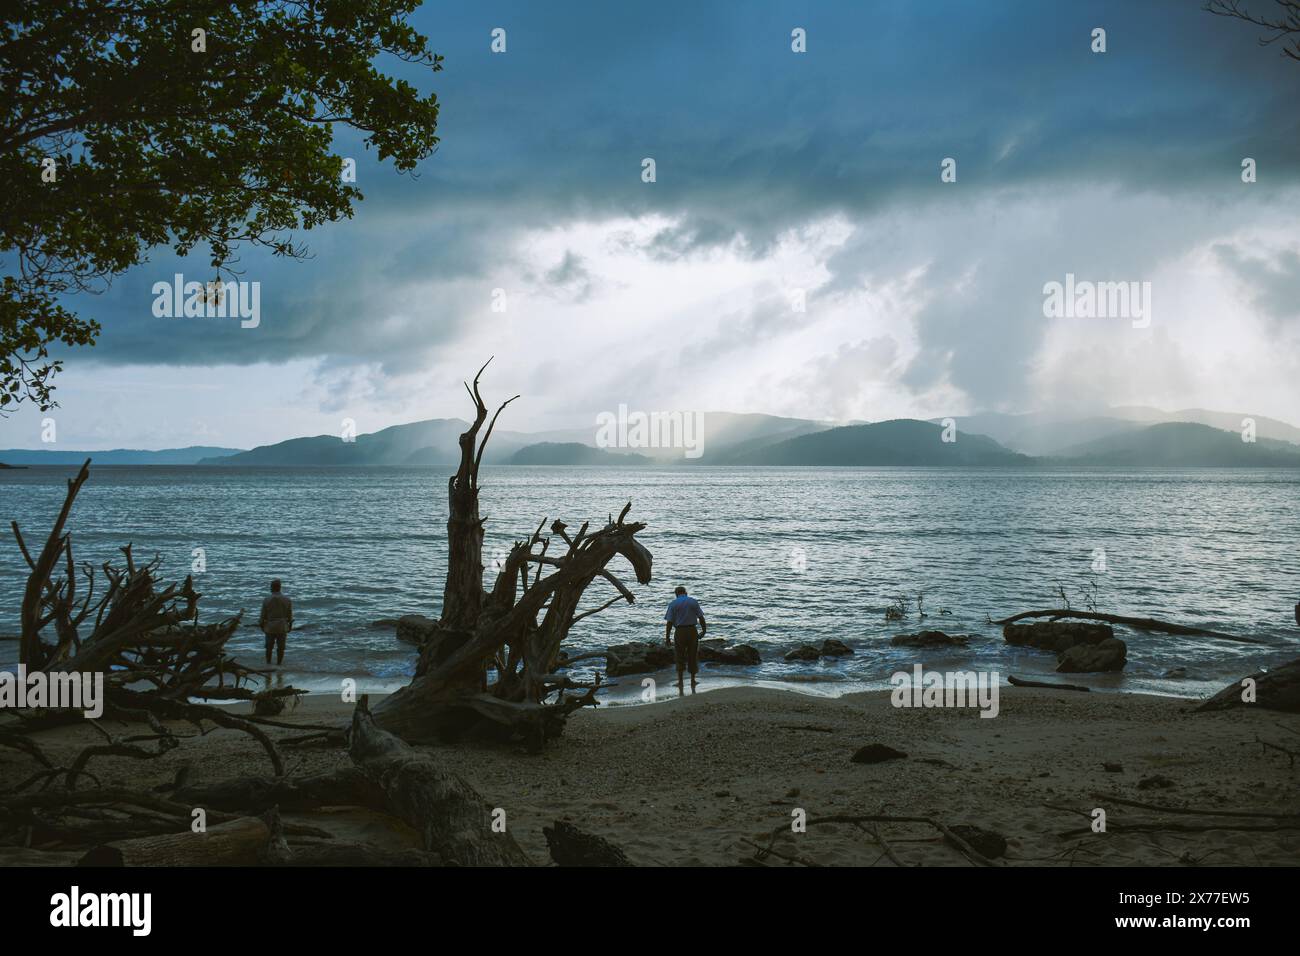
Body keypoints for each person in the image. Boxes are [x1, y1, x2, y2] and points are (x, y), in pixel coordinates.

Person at [664, 585, 707, 694]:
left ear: (676, 594)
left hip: (680, 631)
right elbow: (701, 617)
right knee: (692, 655)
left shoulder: (673, 604)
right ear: (685, 592)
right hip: (692, 630)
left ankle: (680, 681)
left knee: (679, 655)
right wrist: (704, 630)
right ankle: (693, 680)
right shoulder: (693, 602)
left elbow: (669, 622)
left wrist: (667, 637)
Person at [258, 579, 294, 666]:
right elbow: (290, 616)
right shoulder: (287, 599)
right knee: (281, 648)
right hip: (282, 626)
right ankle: (279, 664)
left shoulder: (266, 599)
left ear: (272, 587)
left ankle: (268, 664)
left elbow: (263, 616)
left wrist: (261, 625)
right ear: (280, 587)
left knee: (269, 648)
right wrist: (290, 626)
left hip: (270, 626)